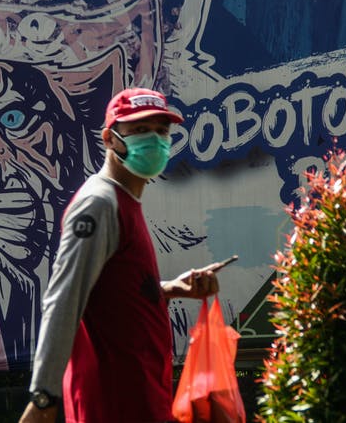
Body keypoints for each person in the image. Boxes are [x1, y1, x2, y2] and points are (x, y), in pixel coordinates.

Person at [19, 88, 221, 423]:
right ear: (110, 139)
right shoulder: (99, 204)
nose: (155, 141)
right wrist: (43, 397)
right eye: (140, 130)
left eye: (161, 131)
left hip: (141, 396)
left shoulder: (126, 200)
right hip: (112, 403)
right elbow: (64, 299)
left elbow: (110, 290)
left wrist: (169, 288)